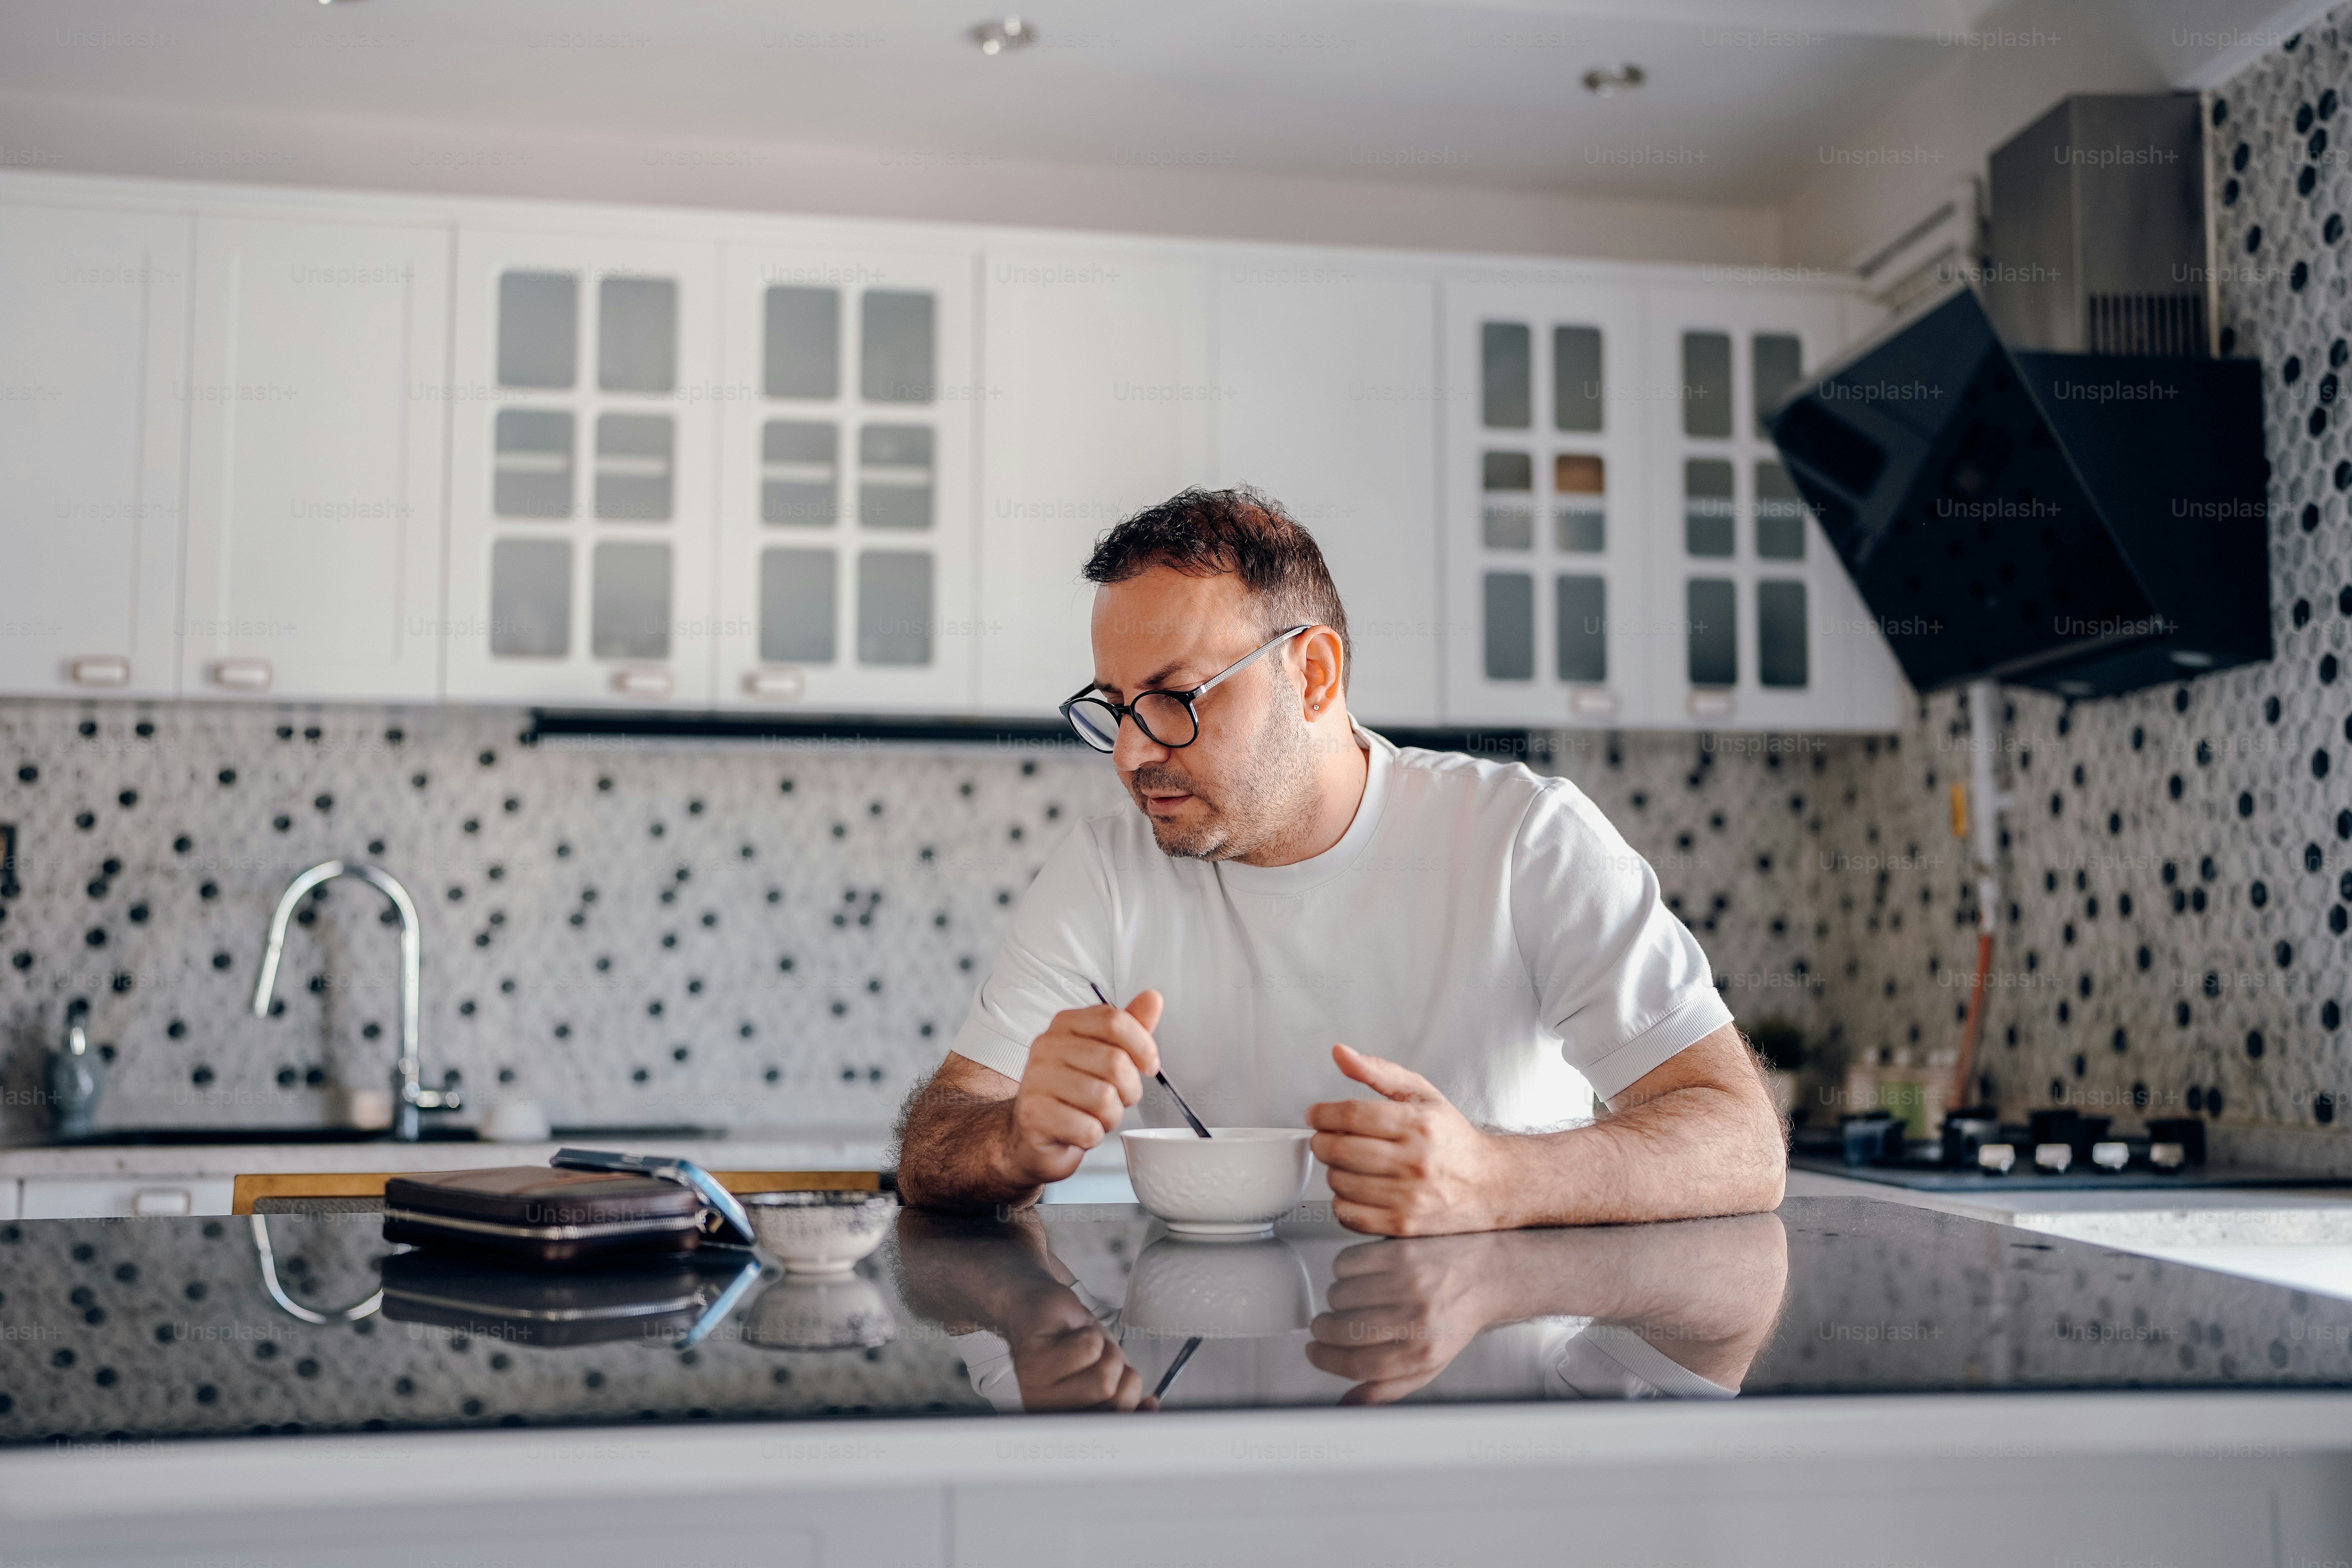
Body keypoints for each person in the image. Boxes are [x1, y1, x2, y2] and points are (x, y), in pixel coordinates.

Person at [896, 487, 1785, 1234]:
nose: (1131, 753)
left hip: (1496, 1382)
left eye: (1174, 698)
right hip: (1204, 1377)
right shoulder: (1104, 870)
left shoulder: (1525, 838)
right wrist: (1015, 1138)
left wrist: (1496, 1178)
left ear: (1314, 676)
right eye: (1117, 707)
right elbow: (933, 1144)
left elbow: (1742, 1141)